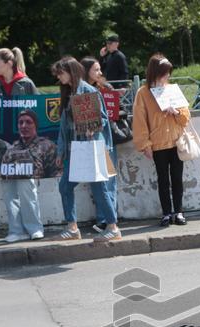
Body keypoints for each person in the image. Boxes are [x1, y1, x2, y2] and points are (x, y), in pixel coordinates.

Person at [53, 56, 119, 241]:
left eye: (61, 73)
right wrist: (60, 151)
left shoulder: (88, 91)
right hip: (74, 149)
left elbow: (103, 119)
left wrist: (93, 127)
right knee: (65, 186)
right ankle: (72, 227)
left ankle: (113, 227)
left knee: (100, 188)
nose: (59, 77)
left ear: (71, 71)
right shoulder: (68, 93)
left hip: (91, 148)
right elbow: (63, 128)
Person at [0, 47, 44, 242]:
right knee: (9, 189)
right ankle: (15, 230)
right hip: (2, 146)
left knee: (27, 187)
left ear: (9, 64)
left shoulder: (26, 84)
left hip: (25, 145)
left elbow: (39, 112)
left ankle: (34, 227)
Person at [132, 54, 191, 227]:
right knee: (163, 179)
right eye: (164, 73)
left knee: (177, 178)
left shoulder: (173, 89)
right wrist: (145, 145)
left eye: (168, 73)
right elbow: (139, 120)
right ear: (155, 72)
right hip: (157, 144)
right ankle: (166, 213)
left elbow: (186, 117)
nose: (167, 76)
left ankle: (179, 212)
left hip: (176, 141)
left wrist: (177, 112)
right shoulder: (143, 93)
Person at [81, 56, 123, 235]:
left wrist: (116, 105)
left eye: (100, 69)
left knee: (109, 181)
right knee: (97, 182)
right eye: (95, 70)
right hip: (90, 141)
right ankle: (103, 218)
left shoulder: (106, 88)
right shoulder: (82, 90)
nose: (99, 73)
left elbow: (115, 112)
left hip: (107, 139)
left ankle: (109, 219)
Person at [2, 110, 58, 180]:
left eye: (28, 122)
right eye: (21, 122)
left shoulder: (48, 147)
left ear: (35, 125)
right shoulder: (11, 150)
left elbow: (56, 177)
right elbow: (2, 179)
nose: (24, 126)